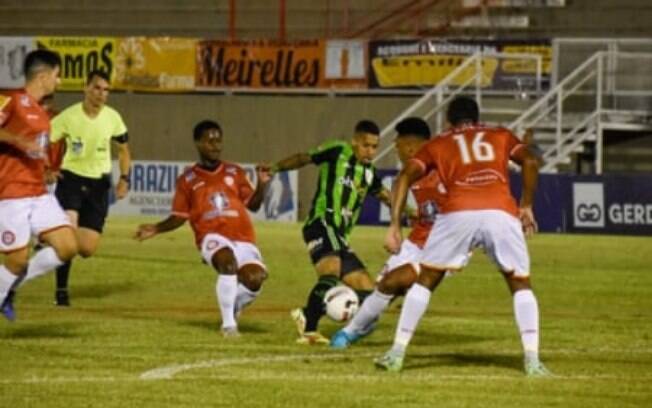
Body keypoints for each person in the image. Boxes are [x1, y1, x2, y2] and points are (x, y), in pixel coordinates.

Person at [378, 97, 551, 376]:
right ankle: (532, 360)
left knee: (426, 280)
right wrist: (526, 205)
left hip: (458, 211)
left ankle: (396, 353)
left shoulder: (438, 143)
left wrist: (395, 225)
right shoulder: (500, 134)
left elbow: (405, 177)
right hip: (500, 210)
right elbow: (530, 160)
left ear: (448, 120)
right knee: (519, 283)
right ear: (477, 118)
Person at [134, 120, 272, 337]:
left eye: (219, 140)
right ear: (198, 143)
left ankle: (233, 307)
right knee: (227, 263)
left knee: (255, 279)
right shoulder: (187, 180)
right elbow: (180, 216)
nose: (216, 146)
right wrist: (157, 228)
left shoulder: (234, 172)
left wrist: (263, 184)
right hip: (211, 236)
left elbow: (253, 205)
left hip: (243, 237)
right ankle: (228, 326)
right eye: (210, 141)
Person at [330, 117, 458, 349]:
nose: (396, 149)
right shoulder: (413, 169)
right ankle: (357, 329)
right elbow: (402, 186)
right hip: (418, 240)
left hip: (447, 244)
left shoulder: (445, 163)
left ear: (410, 146)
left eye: (397, 144)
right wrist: (403, 221)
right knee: (381, 287)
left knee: (396, 282)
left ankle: (360, 336)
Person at [266, 120, 392, 345]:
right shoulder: (337, 151)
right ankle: (311, 317)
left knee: (370, 291)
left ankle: (309, 321)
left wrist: (410, 211)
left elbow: (383, 194)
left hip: (340, 236)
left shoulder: (369, 173)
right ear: (354, 141)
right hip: (322, 223)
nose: (370, 152)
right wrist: (275, 168)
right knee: (330, 273)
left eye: (375, 147)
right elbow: (304, 157)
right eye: (365, 145)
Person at [0, 49, 78, 320]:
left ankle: (12, 286)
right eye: (56, 76)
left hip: (38, 192)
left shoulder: (43, 114)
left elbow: (36, 152)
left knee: (68, 246)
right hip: (12, 193)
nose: (58, 82)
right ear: (43, 76)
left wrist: (46, 169)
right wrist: (18, 140)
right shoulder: (10, 99)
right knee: (16, 259)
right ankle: (4, 289)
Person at [49, 69, 132, 306]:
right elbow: (44, 140)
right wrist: (46, 167)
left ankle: (50, 238)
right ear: (85, 88)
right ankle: (61, 291)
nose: (101, 94)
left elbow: (124, 149)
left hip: (98, 185)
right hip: (71, 180)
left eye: (106, 90)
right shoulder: (69, 116)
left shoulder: (113, 118)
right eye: (97, 88)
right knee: (69, 237)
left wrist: (124, 178)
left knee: (86, 248)